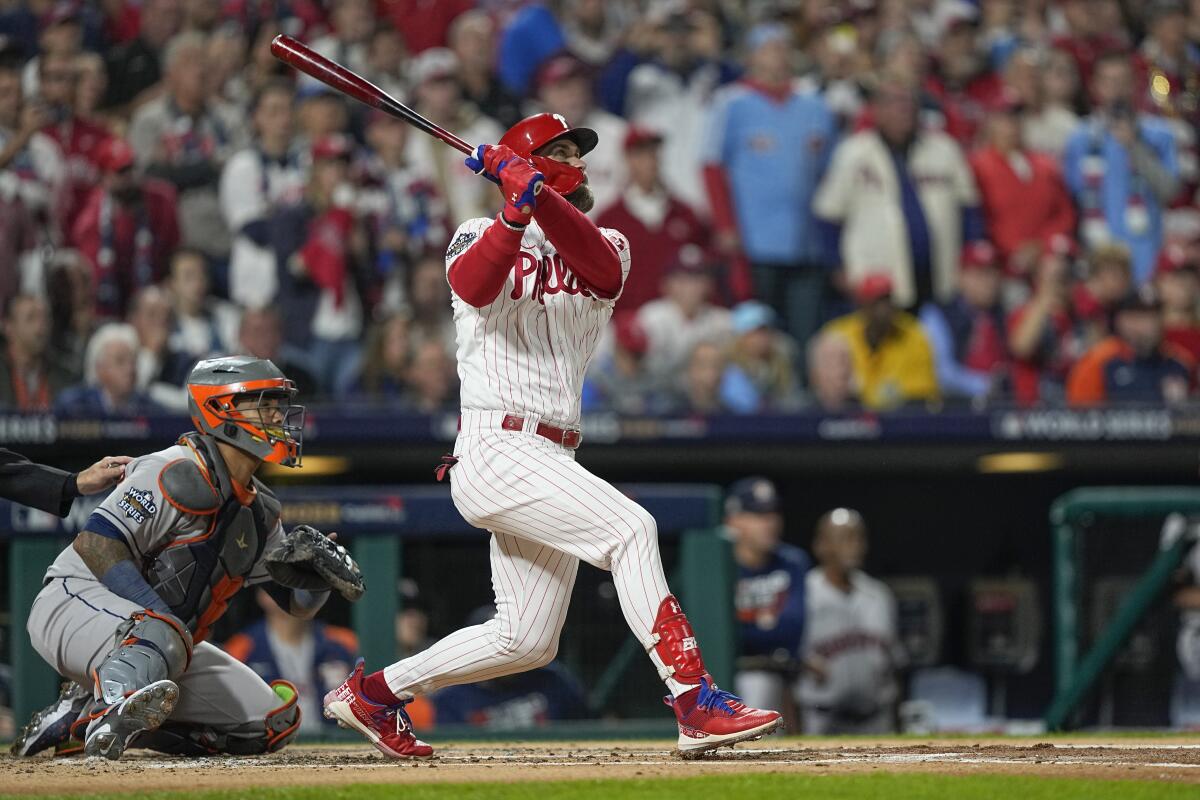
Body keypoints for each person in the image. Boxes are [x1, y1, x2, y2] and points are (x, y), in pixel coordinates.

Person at [324, 112, 782, 760]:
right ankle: (694, 698)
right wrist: (515, 209)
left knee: (526, 639)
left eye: (575, 152)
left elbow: (596, 268)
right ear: (521, 161)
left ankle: (374, 693)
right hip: (495, 444)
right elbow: (475, 286)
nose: (576, 161)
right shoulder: (476, 232)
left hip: (551, 451)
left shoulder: (610, 243)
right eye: (558, 151)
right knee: (632, 530)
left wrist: (532, 189)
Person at [12, 355, 363, 760]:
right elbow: (97, 545)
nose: (278, 417)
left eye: (278, 406)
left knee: (268, 724)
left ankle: (77, 717)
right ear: (220, 408)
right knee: (166, 633)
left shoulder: (261, 511)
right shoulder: (171, 468)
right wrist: (165, 624)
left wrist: (318, 580)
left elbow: (294, 605)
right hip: (70, 603)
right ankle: (107, 715)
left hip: (158, 642)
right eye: (264, 404)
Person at [703, 23, 837, 334]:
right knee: (760, 328)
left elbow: (831, 170)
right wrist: (725, 225)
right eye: (768, 47)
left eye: (782, 46)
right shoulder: (731, 102)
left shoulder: (814, 103)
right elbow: (711, 167)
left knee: (806, 330)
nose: (777, 54)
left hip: (808, 242)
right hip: (755, 242)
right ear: (751, 56)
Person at [813, 76, 982, 310]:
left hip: (942, 282)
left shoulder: (944, 150)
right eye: (893, 103)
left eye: (908, 103)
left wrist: (971, 264)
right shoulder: (853, 153)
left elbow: (969, 211)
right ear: (877, 111)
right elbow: (828, 216)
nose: (902, 110)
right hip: (877, 286)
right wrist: (838, 268)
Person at [1062, 52, 1179, 284]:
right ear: (1096, 87)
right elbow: (1073, 197)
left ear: (1134, 84)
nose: (1115, 89)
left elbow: (1170, 190)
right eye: (1108, 81)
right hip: (1098, 255)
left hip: (1146, 254)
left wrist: (1134, 147)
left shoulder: (1159, 134)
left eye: (1122, 81)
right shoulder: (1080, 138)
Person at [270, 134, 365, 396]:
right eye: (330, 166)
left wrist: (357, 240)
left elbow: (367, 275)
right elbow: (292, 271)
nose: (338, 174)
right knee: (305, 417)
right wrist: (333, 225)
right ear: (315, 171)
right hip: (307, 334)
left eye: (343, 166)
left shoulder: (354, 218)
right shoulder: (295, 215)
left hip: (349, 331)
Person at [798, 509, 902, 735]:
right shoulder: (803, 594)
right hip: (821, 718)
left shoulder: (879, 595)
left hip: (877, 719)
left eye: (859, 538)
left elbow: (895, 665)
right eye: (844, 539)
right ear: (821, 546)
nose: (854, 546)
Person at [594, 126, 707, 313]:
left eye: (653, 152)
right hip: (625, 322)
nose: (648, 161)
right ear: (627, 160)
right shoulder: (610, 219)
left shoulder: (685, 215)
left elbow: (706, 271)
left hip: (677, 323)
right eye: (640, 154)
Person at [725, 477, 810, 716]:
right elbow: (714, 636)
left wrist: (742, 621)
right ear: (734, 520)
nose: (770, 523)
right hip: (721, 678)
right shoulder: (718, 565)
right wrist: (763, 621)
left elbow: (792, 629)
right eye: (758, 515)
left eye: (773, 514)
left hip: (779, 679)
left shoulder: (792, 562)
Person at [70, 137, 180, 320]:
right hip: (110, 308)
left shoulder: (161, 199)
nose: (131, 177)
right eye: (122, 172)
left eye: (132, 167)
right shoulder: (90, 221)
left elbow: (175, 252)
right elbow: (95, 282)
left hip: (156, 300)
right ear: (104, 179)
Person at [970, 94, 1076, 278]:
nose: (1012, 124)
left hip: (1048, 261)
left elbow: (1064, 214)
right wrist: (1010, 251)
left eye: (1017, 117)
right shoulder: (978, 166)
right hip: (1001, 268)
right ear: (990, 122)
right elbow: (981, 219)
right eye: (1004, 118)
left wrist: (1040, 245)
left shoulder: (1045, 164)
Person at [224, 588, 359, 733]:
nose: (291, 590)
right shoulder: (240, 647)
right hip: (270, 746)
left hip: (336, 744)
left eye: (299, 584)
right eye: (281, 583)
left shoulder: (344, 642)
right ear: (262, 594)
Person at [430, 606, 588, 729]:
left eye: (509, 642)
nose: (504, 653)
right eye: (494, 646)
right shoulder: (451, 697)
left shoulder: (553, 680)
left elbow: (589, 726)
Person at [221, 79, 305, 310]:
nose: (284, 119)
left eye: (288, 110)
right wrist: (298, 224)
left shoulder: (306, 164)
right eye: (274, 111)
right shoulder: (243, 166)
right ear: (256, 118)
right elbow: (254, 229)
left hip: (298, 289)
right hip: (256, 288)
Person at [818, 274, 939, 411]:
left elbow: (922, 394)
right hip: (850, 416)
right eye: (876, 302)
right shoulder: (839, 334)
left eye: (887, 300)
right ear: (862, 306)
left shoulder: (913, 334)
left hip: (902, 421)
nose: (883, 309)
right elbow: (827, 391)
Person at [534, 54, 627, 217]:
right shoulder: (530, 140)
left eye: (579, 86)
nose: (573, 94)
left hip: (609, 234)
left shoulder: (619, 134)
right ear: (543, 94)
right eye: (562, 87)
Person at [1066, 287, 1193, 406]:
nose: (1150, 324)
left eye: (1154, 315)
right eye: (1140, 316)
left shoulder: (1180, 361)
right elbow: (1080, 418)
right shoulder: (1097, 361)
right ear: (1121, 321)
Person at [917, 241, 1010, 405]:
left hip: (1006, 408)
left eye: (994, 272)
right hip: (955, 411)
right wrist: (986, 385)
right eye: (981, 274)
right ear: (960, 276)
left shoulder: (1003, 314)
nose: (990, 282)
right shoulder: (937, 314)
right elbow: (941, 373)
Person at [636, 245, 733, 385]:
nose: (689, 287)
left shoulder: (723, 321)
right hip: (655, 393)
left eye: (696, 279)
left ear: (709, 284)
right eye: (681, 279)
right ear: (666, 283)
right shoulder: (650, 317)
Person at [54, 322, 163, 417]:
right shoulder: (73, 406)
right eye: (120, 361)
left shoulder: (152, 410)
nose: (130, 368)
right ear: (99, 368)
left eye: (133, 361)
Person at [720, 301, 802, 414]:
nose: (761, 339)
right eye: (754, 333)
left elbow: (793, 402)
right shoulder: (728, 370)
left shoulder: (781, 363)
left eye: (764, 332)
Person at [0, 293, 76, 411]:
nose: (40, 326)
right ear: (8, 327)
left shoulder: (66, 376)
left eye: (45, 318)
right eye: (31, 318)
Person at [1157, 242, 1200, 363]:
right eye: (1176, 278)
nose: (1184, 285)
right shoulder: (1146, 330)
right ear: (1158, 283)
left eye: (1189, 277)